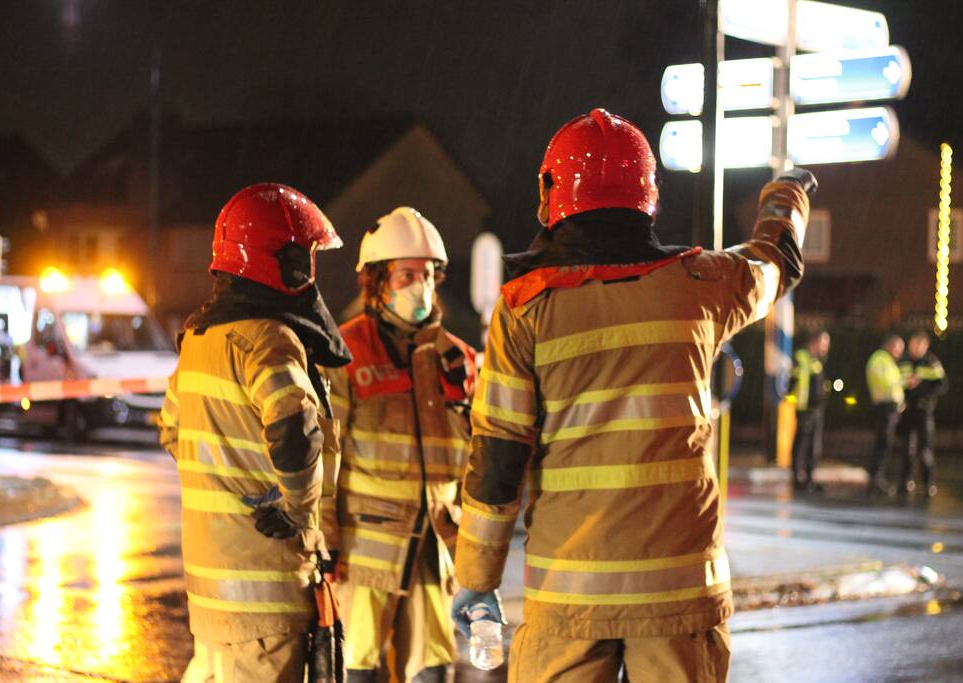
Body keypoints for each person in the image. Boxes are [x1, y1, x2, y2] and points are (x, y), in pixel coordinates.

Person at [451, 108, 814, 682]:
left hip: (569, 598)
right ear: (647, 194)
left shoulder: (525, 309)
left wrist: (476, 578)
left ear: (553, 195)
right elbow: (775, 264)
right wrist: (785, 199)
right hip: (680, 597)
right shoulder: (703, 284)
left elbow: (497, 460)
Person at [158, 183, 351, 682]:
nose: (309, 269)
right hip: (267, 597)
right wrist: (295, 508)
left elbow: (171, 434)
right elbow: (295, 430)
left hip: (209, 595)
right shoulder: (270, 339)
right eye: (303, 256)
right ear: (277, 259)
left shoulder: (198, 339)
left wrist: (229, 491)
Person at [321, 207, 476, 683]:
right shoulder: (344, 353)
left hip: (438, 543)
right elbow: (326, 457)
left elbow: (478, 457)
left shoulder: (459, 358)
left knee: (434, 663)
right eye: (406, 274)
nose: (420, 286)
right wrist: (326, 543)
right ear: (377, 282)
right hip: (367, 549)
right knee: (360, 662)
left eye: (428, 274)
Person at [897, 330, 947, 498]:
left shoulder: (931, 362)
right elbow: (895, 382)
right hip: (907, 410)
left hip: (924, 411)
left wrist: (921, 387)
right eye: (914, 344)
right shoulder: (902, 361)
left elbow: (941, 385)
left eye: (920, 345)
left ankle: (928, 484)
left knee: (925, 449)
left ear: (926, 346)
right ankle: (905, 482)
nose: (917, 348)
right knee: (906, 448)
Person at [789, 330, 830, 492]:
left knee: (814, 444)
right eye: (824, 342)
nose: (827, 347)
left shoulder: (817, 361)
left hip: (817, 408)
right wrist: (793, 402)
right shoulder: (801, 357)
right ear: (815, 342)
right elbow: (792, 383)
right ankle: (797, 476)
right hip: (804, 407)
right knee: (802, 442)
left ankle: (809, 477)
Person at [865, 334, 906, 496]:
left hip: (889, 407)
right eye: (898, 348)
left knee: (884, 443)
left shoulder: (887, 361)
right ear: (890, 345)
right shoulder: (880, 359)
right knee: (883, 443)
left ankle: (877, 477)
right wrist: (904, 381)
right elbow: (885, 383)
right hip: (885, 407)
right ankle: (876, 478)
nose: (900, 352)